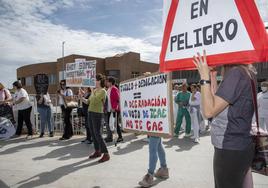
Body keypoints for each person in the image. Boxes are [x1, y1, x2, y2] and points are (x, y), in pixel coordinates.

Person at [193, 50, 255, 188]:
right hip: (239, 146)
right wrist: (213, 77)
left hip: (230, 147)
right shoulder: (245, 72)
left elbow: (209, 111)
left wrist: (204, 77)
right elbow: (217, 103)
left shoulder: (235, 73)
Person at [87, 74, 110, 163]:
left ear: (100, 81)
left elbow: (96, 100)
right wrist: (81, 97)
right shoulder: (95, 90)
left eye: (95, 80)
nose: (94, 82)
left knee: (98, 134)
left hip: (97, 114)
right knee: (93, 133)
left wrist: (92, 91)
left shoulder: (103, 91)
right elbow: (88, 101)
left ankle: (106, 154)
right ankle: (97, 151)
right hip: (90, 112)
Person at [104, 76, 123, 143]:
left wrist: (114, 108)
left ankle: (120, 137)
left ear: (111, 82)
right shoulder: (108, 89)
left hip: (114, 110)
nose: (106, 82)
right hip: (109, 109)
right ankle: (111, 137)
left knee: (116, 124)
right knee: (110, 123)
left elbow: (117, 99)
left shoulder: (114, 89)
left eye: (108, 81)